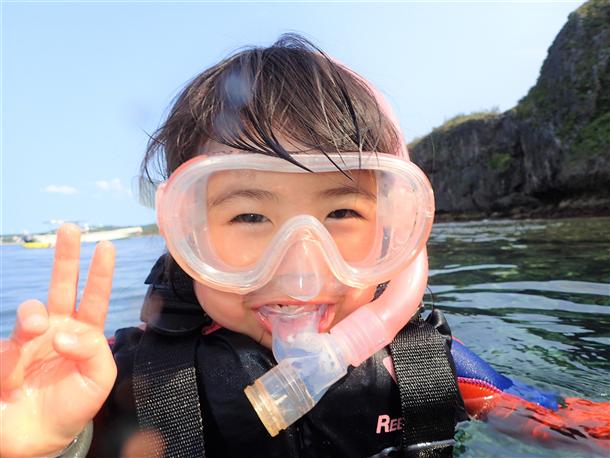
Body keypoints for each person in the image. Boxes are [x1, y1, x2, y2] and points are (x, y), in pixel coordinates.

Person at [1, 34, 608, 458]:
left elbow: (573, 429)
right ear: (186, 231)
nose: (299, 270)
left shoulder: (426, 369)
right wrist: (47, 444)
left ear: (393, 228)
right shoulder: (114, 381)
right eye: (249, 215)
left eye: (341, 212)